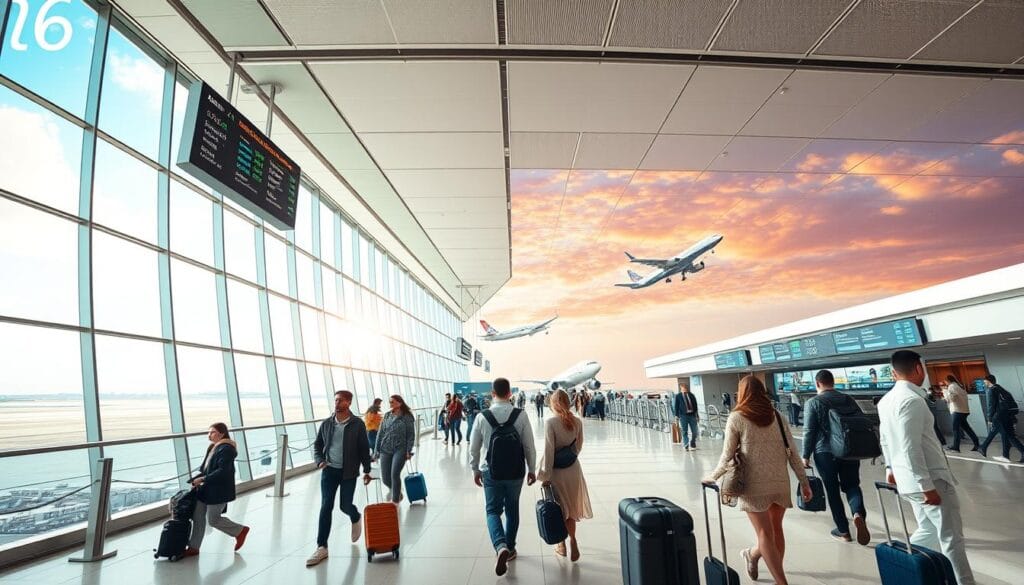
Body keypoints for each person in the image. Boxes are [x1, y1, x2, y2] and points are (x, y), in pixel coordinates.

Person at [878, 350, 975, 585]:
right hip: (930, 481)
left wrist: (890, 469)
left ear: (893, 372)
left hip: (906, 480)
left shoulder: (886, 400)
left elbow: (885, 439)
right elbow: (911, 447)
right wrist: (926, 485)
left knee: (929, 531)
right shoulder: (911, 400)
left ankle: (908, 571)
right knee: (951, 538)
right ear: (919, 369)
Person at [705, 376, 811, 585]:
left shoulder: (737, 417)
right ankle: (753, 556)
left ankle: (781, 581)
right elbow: (793, 454)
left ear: (741, 393)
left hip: (753, 484)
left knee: (765, 533)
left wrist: (713, 476)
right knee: (774, 531)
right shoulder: (778, 416)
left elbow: (727, 456)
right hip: (779, 482)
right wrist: (804, 482)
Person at [470, 377, 537, 576]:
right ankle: (511, 547)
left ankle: (500, 546)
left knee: (492, 510)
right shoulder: (521, 415)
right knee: (512, 508)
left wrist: (475, 469)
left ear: (492, 393)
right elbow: (529, 446)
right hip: (516, 471)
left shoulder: (483, 416)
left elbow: (474, 448)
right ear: (510, 394)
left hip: (490, 470)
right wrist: (531, 469)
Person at [801, 370, 870, 545]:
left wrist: (805, 455)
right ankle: (858, 514)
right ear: (833, 382)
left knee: (832, 491)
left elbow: (809, 431)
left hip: (825, 452)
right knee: (852, 485)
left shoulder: (813, 402)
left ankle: (843, 530)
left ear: (817, 384)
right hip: (849, 450)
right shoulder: (848, 399)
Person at [307, 390, 373, 567]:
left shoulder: (357, 424)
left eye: (340, 400)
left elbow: (363, 448)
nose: (336, 403)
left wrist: (367, 470)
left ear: (348, 403)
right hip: (329, 471)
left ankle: (355, 515)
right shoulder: (327, 423)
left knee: (345, 505)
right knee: (326, 506)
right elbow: (318, 444)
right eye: (335, 400)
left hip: (349, 472)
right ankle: (322, 546)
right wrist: (320, 461)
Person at [538, 389, 592, 561]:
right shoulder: (577, 422)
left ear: (553, 404)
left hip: (557, 472)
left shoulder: (551, 423)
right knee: (571, 511)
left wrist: (545, 476)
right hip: (573, 470)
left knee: (560, 509)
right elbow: (578, 447)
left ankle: (561, 545)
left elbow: (549, 452)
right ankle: (573, 541)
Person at [184, 423, 249, 557]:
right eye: (209, 432)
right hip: (206, 489)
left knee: (213, 519)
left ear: (221, 433)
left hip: (218, 490)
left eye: (212, 432)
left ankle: (240, 531)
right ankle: (194, 547)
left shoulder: (227, 449)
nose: (209, 435)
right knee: (198, 517)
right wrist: (195, 479)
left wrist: (202, 479)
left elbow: (223, 471)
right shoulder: (213, 447)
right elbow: (205, 469)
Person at [374, 394, 416, 503]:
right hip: (385, 448)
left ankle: (395, 501)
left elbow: (411, 435)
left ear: (400, 403)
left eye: (392, 402)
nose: (390, 404)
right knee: (385, 478)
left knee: (394, 474)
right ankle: (397, 492)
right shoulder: (387, 415)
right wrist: (376, 450)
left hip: (400, 449)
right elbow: (380, 433)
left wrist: (408, 450)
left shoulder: (407, 416)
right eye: (390, 402)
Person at [979, 374, 1024, 463]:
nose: (984, 383)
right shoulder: (1000, 388)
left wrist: (989, 418)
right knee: (1004, 434)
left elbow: (991, 405)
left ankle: (983, 447)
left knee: (1009, 436)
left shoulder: (991, 390)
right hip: (1007, 415)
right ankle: (1004, 455)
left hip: (1000, 416)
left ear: (988, 381)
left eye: (985, 381)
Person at [943, 375, 980, 453]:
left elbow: (951, 399)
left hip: (957, 411)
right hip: (964, 411)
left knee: (955, 429)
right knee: (967, 428)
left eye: (945, 381)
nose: (945, 383)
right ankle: (977, 444)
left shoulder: (951, 386)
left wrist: (945, 392)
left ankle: (956, 447)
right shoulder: (960, 386)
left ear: (948, 381)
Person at [673, 384, 700, 451]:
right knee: (684, 431)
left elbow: (695, 405)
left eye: (686, 388)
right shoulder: (678, 396)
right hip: (683, 416)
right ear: (681, 388)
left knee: (695, 431)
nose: (685, 389)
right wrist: (676, 416)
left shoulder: (691, 395)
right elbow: (676, 406)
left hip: (692, 415)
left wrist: (697, 415)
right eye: (683, 388)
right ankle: (686, 444)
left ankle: (692, 442)